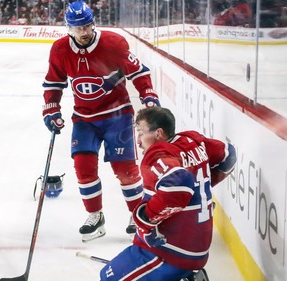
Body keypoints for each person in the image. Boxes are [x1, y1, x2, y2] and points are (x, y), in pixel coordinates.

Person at [42, 0, 160, 242]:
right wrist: (51, 109)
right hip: (84, 118)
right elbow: (54, 83)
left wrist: (148, 94)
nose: (84, 33)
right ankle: (96, 216)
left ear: (93, 23)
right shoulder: (59, 50)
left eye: (87, 26)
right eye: (78, 28)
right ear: (68, 28)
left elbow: (138, 71)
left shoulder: (113, 43)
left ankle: (137, 216)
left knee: (125, 171)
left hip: (118, 115)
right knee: (83, 168)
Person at [100, 107, 236, 281]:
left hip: (168, 252)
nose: (139, 141)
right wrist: (205, 186)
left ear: (158, 133)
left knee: (107, 277)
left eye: (141, 133)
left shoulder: (157, 155)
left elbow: (180, 182)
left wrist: (145, 219)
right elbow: (229, 154)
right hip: (196, 248)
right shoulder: (192, 140)